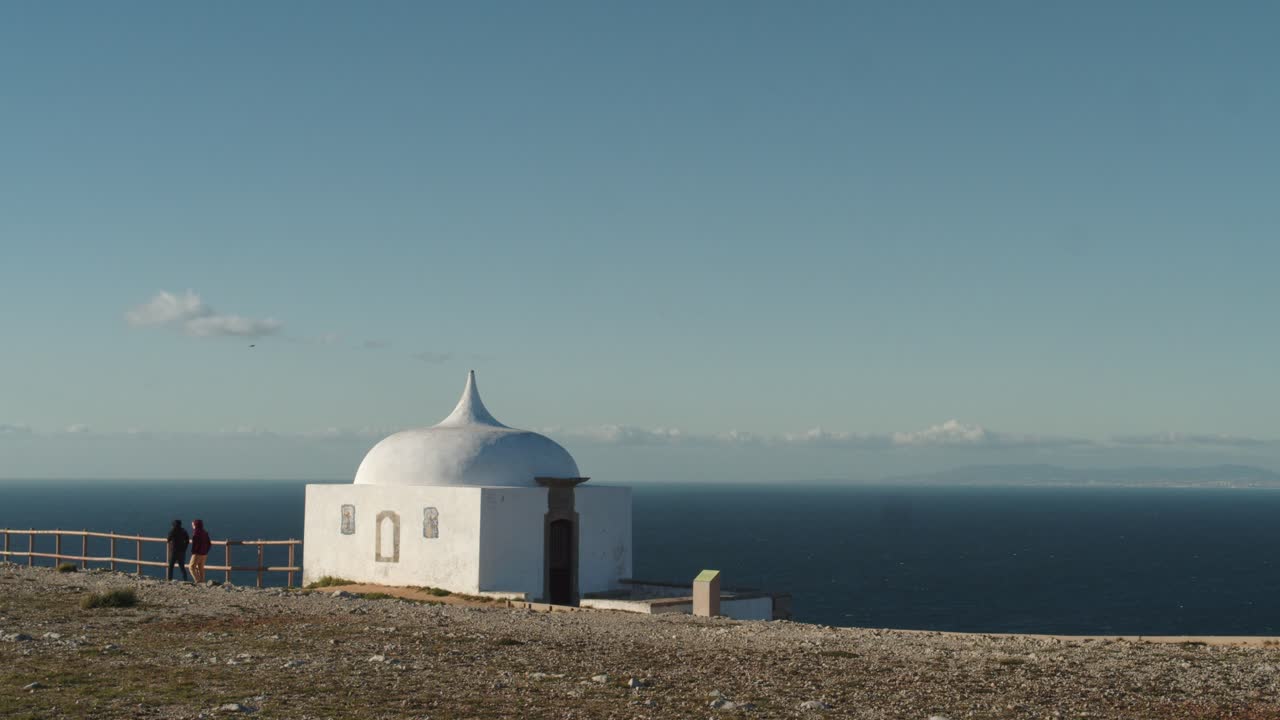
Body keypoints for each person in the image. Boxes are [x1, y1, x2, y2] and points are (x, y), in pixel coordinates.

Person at [190, 518, 211, 584]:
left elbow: (195, 544)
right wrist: (206, 551)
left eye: (193, 525)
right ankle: (202, 581)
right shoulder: (204, 532)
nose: (192, 526)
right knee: (201, 568)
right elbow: (209, 543)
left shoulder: (196, 533)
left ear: (195, 525)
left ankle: (198, 581)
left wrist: (194, 552)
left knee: (191, 567)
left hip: (197, 553)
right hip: (204, 553)